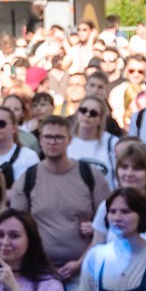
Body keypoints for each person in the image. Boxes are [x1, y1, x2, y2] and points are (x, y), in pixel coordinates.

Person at [19, 113, 102, 280]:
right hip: (40, 273)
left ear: (69, 140)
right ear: (40, 140)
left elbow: (107, 224)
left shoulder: (90, 175)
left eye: (58, 137)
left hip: (84, 272)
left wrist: (80, 262)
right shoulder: (28, 177)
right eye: (48, 137)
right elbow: (17, 226)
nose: (52, 142)